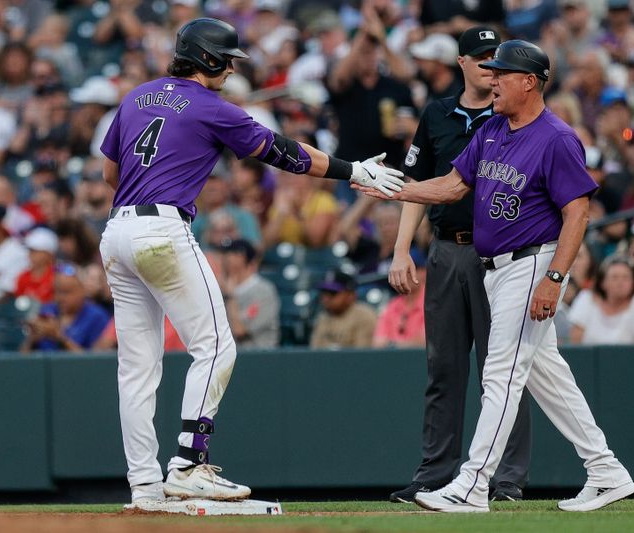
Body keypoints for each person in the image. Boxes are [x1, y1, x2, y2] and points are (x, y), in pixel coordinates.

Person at [97, 17, 404, 505]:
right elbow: (283, 153)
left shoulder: (138, 96)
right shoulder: (211, 106)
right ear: (209, 59)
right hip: (161, 228)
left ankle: (144, 487)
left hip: (117, 231)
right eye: (227, 60)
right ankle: (188, 464)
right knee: (218, 346)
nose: (231, 69)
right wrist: (352, 170)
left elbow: (111, 170)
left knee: (136, 368)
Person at [357, 40, 634, 513]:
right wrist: (394, 189)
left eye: (502, 73)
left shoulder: (557, 137)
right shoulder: (491, 128)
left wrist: (554, 278)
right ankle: (606, 471)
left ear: (529, 81)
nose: (493, 79)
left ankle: (473, 483)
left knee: (501, 372)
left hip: (532, 262)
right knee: (548, 376)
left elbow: (578, 213)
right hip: (496, 269)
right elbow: (451, 186)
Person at [387, 27, 531, 504]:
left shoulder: (514, 112)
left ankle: (505, 478)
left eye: (498, 58)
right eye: (483, 57)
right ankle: (435, 473)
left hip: (501, 253)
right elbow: (418, 181)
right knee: (443, 367)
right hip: (448, 247)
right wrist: (401, 247)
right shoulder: (437, 114)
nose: (491, 65)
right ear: (463, 63)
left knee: (503, 369)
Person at [568, 257, 634, 345]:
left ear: (633, 282)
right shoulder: (586, 298)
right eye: (615, 277)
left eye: (626, 278)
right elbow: (575, 341)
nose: (620, 282)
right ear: (602, 282)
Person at [215, 238, 280, 349]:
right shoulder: (219, 290)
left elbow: (239, 330)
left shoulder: (264, 291)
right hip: (228, 357)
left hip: (259, 356)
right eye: (226, 254)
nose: (227, 258)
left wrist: (231, 297)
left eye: (234, 254)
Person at [309, 269, 377, 349]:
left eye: (332, 293)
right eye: (324, 293)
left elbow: (362, 355)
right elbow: (314, 353)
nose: (326, 298)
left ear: (350, 295)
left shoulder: (364, 316)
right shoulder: (323, 317)